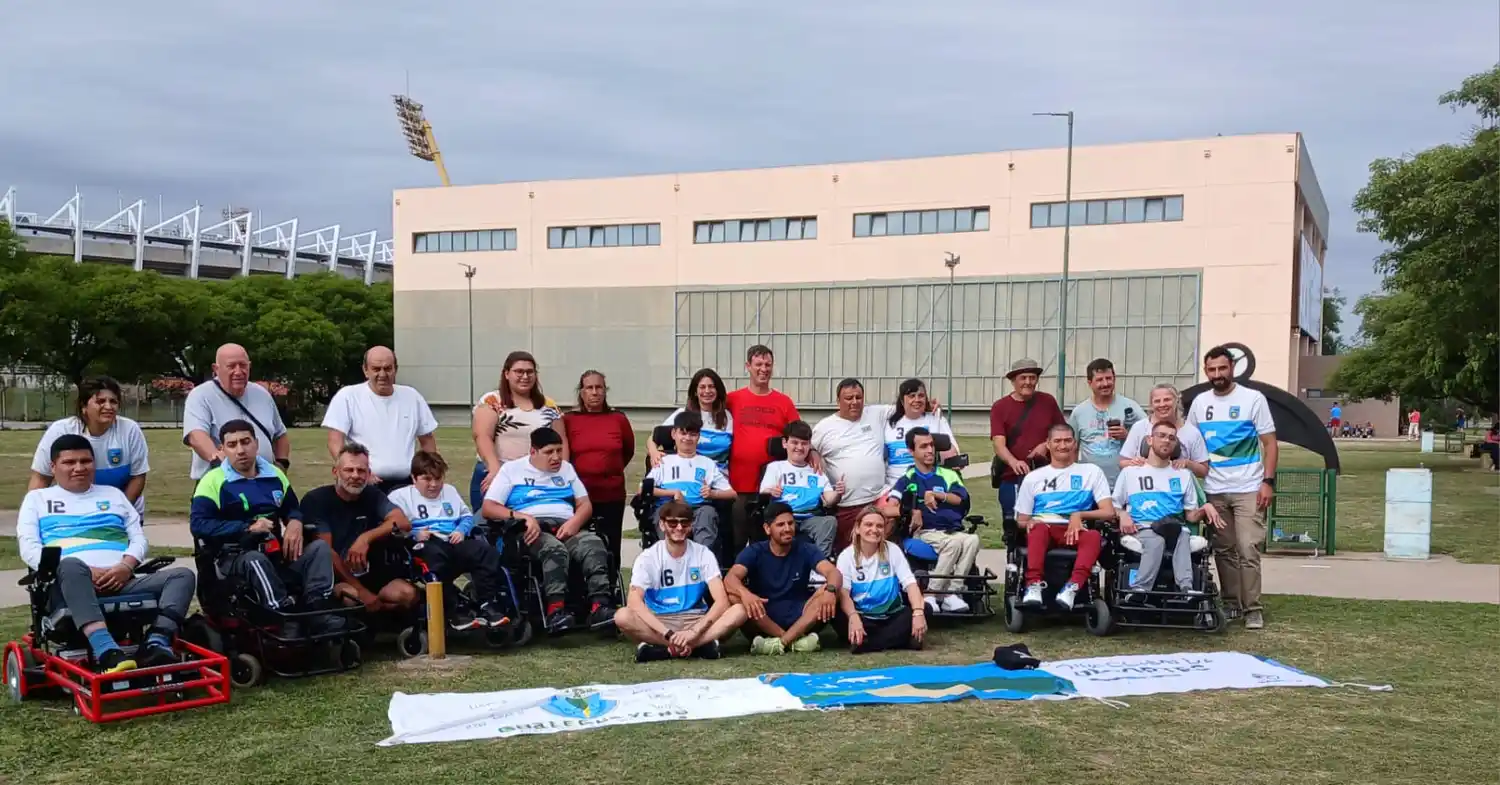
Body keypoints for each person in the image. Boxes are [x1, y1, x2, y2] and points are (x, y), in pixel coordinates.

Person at [17, 434, 194, 673]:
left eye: (85, 461)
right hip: (69, 585)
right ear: (53, 467)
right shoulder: (37, 499)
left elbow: (138, 538)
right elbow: (30, 548)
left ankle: (156, 643)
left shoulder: (113, 495)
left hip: (121, 581)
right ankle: (107, 651)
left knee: (183, 575)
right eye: (70, 462)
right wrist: (86, 572)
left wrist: (126, 567)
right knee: (70, 564)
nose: (79, 468)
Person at [189, 420, 339, 637]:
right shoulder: (212, 481)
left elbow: (292, 509)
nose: (240, 450)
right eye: (232, 445)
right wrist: (247, 527)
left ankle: (318, 609)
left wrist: (295, 522)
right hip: (234, 558)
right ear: (222, 449)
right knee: (255, 560)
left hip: (277, 553)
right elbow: (199, 525)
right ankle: (280, 613)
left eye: (245, 442)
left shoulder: (275, 475)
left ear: (256, 444)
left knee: (319, 549)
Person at [481, 428, 615, 631]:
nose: (556, 457)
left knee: (594, 544)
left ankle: (599, 607)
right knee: (554, 549)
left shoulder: (567, 470)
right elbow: (489, 507)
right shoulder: (511, 470)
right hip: (532, 529)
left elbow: (585, 504)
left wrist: (575, 522)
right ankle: (555, 610)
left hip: (567, 526)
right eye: (549, 452)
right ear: (533, 451)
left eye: (559, 451)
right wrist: (523, 517)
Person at [1186, 344, 1277, 630]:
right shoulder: (1200, 402)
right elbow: (1189, 440)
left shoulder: (1253, 398)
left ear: (1232, 368)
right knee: (1224, 549)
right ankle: (1231, 602)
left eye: (1222, 368)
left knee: (1247, 547)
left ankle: (1253, 608)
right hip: (1214, 488)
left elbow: (1270, 443)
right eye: (1211, 370)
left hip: (1249, 486)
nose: (1217, 374)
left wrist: (1268, 482)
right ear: (1206, 371)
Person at [387, 451, 509, 630]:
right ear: (414, 478)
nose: (434, 484)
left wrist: (461, 530)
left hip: (453, 541)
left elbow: (467, 517)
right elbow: (392, 526)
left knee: (485, 551)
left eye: (438, 479)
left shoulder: (449, 491)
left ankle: (486, 603)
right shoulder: (399, 496)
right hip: (425, 545)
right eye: (427, 479)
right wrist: (414, 533)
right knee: (434, 555)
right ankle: (454, 609)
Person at [616, 500, 747, 662]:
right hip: (660, 620)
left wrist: (694, 632)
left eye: (684, 523)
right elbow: (634, 602)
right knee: (622, 616)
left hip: (696, 618)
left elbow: (722, 601)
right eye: (672, 523)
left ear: (691, 526)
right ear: (662, 525)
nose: (679, 528)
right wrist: (668, 633)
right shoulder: (648, 557)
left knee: (739, 610)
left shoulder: (703, 553)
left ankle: (668, 650)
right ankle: (696, 647)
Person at [301, 443, 421, 617]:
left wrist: (365, 539)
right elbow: (326, 552)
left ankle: (377, 615)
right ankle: (364, 620)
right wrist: (361, 591)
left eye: (361, 470)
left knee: (408, 594)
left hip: (372, 573)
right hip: (338, 577)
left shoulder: (372, 495)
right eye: (349, 470)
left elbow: (402, 522)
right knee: (352, 598)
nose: (355, 476)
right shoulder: (316, 500)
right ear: (336, 472)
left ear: (369, 473)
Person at [1113, 421, 1225, 599]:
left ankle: (1186, 590)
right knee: (1156, 540)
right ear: (1149, 440)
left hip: (1174, 527)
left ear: (1175, 445)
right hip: (1143, 527)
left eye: (1171, 438)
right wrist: (1123, 513)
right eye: (1162, 436)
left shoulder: (1183, 475)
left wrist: (1206, 507)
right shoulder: (1131, 473)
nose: (1166, 441)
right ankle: (1141, 589)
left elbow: (1191, 516)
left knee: (1183, 535)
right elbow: (1114, 504)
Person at [1015, 424, 1115, 611]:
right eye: (1057, 441)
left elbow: (1108, 512)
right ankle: (1033, 585)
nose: (1063, 445)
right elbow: (1021, 520)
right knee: (1038, 529)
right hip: (1044, 528)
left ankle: (1073, 587)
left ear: (1075, 443)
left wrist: (1079, 514)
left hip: (1075, 530)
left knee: (1093, 536)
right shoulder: (1034, 477)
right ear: (1048, 444)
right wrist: (1029, 523)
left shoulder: (1091, 472)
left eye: (1068, 440)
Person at [724, 502, 842, 655]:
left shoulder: (806, 548)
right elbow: (730, 578)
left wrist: (831, 590)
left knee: (834, 590)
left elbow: (833, 572)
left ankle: (781, 642)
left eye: (790, 523)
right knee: (734, 595)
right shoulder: (755, 551)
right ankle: (795, 641)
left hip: (801, 616)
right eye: (780, 524)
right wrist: (744, 593)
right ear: (767, 529)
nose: (787, 528)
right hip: (763, 616)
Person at [883, 427, 978, 613]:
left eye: (932, 445)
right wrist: (911, 511)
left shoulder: (948, 475)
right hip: (925, 532)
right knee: (953, 545)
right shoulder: (907, 479)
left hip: (952, 531)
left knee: (972, 540)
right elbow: (888, 509)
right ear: (912, 451)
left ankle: (952, 592)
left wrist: (936, 494)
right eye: (923, 446)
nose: (930, 450)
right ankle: (931, 594)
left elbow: (959, 499)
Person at [321, 346, 439, 494]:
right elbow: (335, 440)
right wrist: (357, 472)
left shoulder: (412, 397)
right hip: (364, 484)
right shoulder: (348, 396)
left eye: (388, 368)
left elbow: (427, 440)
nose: (382, 374)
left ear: (395, 369)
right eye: (376, 369)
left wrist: (429, 473)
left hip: (406, 485)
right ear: (365, 370)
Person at [29, 376, 150, 515]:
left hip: (122, 511)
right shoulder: (61, 430)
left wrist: (120, 512)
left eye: (113, 401)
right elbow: (41, 477)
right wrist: (32, 513)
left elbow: (138, 477)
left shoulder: (129, 429)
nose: (108, 407)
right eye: (100, 401)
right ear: (84, 406)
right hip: (75, 513)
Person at [725, 345, 802, 554]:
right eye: (758, 364)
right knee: (737, 540)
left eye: (768, 364)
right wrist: (652, 444)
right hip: (738, 485)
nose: (763, 369)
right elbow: (702, 416)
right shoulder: (732, 399)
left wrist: (813, 453)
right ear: (748, 366)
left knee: (765, 542)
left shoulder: (783, 402)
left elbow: (799, 433)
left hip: (771, 488)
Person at [470, 350, 565, 511]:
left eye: (530, 372)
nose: (525, 376)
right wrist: (495, 470)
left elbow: (561, 440)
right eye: (519, 371)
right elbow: (482, 436)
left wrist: (562, 472)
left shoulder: (548, 405)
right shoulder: (492, 400)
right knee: (491, 529)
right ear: (506, 374)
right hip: (497, 472)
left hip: (537, 478)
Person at [183, 343, 291, 481]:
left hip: (264, 483)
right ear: (216, 369)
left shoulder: (262, 394)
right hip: (221, 484)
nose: (238, 371)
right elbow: (196, 436)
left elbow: (280, 434)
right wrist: (217, 457)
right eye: (231, 366)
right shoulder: (200, 396)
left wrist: (281, 465)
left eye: (243, 365)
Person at [561, 370, 636, 568]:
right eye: (589, 388)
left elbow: (627, 451)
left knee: (611, 544)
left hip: (611, 494)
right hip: (578, 496)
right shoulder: (569, 420)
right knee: (578, 544)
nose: (595, 392)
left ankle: (611, 590)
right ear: (582, 392)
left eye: (599, 387)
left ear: (605, 391)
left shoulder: (618, 419)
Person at [812, 378, 895, 552]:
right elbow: (807, 447)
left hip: (878, 497)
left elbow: (905, 409)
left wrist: (929, 405)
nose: (854, 402)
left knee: (885, 537)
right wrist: (813, 453)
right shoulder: (824, 427)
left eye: (858, 397)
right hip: (847, 504)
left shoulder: (875, 414)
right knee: (850, 552)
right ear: (838, 401)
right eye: (849, 398)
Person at [835, 505, 927, 653]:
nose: (874, 529)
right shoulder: (846, 556)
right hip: (863, 616)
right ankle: (901, 640)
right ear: (858, 528)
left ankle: (867, 644)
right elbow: (844, 593)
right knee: (837, 614)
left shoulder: (893, 550)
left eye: (879, 526)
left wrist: (917, 612)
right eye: (868, 525)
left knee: (925, 609)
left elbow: (910, 583)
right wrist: (853, 616)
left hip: (891, 615)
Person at [646, 411, 735, 553]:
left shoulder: (707, 463)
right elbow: (643, 489)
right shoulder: (663, 461)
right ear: (674, 434)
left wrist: (713, 493)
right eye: (683, 433)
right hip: (670, 507)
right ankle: (670, 555)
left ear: (698, 437)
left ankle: (702, 558)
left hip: (698, 508)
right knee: (666, 516)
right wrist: (673, 492)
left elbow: (732, 494)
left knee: (708, 513)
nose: (688, 438)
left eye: (693, 434)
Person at [990, 358, 1067, 521]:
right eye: (1023, 378)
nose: (1028, 382)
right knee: (1013, 523)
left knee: (1046, 520)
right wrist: (1013, 462)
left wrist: (1046, 445)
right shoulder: (1000, 407)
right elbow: (998, 444)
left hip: (1046, 476)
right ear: (1013, 381)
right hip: (1013, 477)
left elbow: (1063, 433)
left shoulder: (1048, 401)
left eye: (1032, 378)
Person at [758, 420, 841, 558]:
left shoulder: (816, 471)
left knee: (829, 521)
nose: (799, 447)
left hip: (811, 518)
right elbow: (763, 492)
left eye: (804, 443)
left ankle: (820, 563)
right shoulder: (776, 467)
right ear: (785, 443)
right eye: (795, 443)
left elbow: (829, 499)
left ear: (809, 446)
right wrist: (771, 492)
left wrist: (838, 493)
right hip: (784, 517)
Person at [1068, 357, 1143, 488]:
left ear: (1115, 379)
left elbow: (1149, 439)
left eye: (1109, 378)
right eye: (1099, 380)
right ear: (1089, 383)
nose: (1105, 383)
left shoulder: (1132, 407)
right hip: (1089, 486)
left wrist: (1127, 435)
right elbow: (1071, 448)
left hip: (1125, 484)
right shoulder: (1079, 412)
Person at [649, 368, 733, 473]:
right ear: (695, 392)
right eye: (702, 387)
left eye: (711, 387)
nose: (707, 391)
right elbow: (654, 437)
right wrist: (654, 453)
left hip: (720, 477)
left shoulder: (727, 417)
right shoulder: (682, 414)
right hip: (688, 475)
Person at [1118, 383, 1209, 479]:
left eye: (1167, 400)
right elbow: (1122, 462)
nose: (1162, 404)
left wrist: (1187, 463)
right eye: (1157, 401)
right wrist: (1134, 463)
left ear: (1177, 401)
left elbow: (1204, 470)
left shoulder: (1191, 432)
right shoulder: (1139, 427)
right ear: (1151, 404)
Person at [882, 378, 959, 490]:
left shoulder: (936, 420)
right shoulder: (888, 422)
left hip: (928, 488)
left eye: (921, 396)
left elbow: (952, 454)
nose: (917, 400)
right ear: (902, 401)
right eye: (912, 396)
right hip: (894, 487)